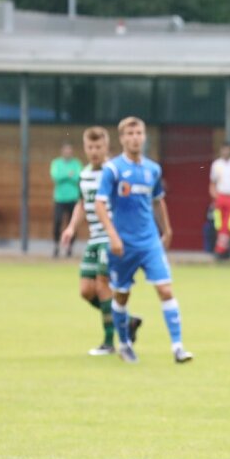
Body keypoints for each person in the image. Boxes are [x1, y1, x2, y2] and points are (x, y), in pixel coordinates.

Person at [94, 116, 193, 364]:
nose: (135, 138)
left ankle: (178, 348)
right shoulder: (113, 170)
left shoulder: (153, 169)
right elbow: (99, 204)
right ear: (122, 139)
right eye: (130, 134)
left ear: (144, 136)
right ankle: (125, 344)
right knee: (121, 296)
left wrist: (167, 230)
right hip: (122, 245)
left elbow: (158, 200)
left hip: (149, 241)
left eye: (139, 133)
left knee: (165, 289)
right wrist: (113, 236)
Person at [59, 126, 141, 355]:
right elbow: (82, 204)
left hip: (112, 236)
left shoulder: (114, 172)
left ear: (107, 147)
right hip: (94, 238)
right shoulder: (84, 175)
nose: (94, 151)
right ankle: (127, 320)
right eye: (90, 147)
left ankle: (109, 342)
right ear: (85, 148)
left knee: (102, 284)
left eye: (99, 147)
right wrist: (71, 227)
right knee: (86, 290)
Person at [50, 142, 83, 258]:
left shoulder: (76, 163)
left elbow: (78, 177)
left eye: (69, 151)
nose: (67, 153)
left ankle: (70, 247)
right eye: (66, 150)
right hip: (59, 198)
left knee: (72, 223)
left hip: (73, 198)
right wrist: (68, 175)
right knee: (57, 222)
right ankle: (56, 245)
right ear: (62, 151)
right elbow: (56, 177)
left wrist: (66, 176)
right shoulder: (56, 163)